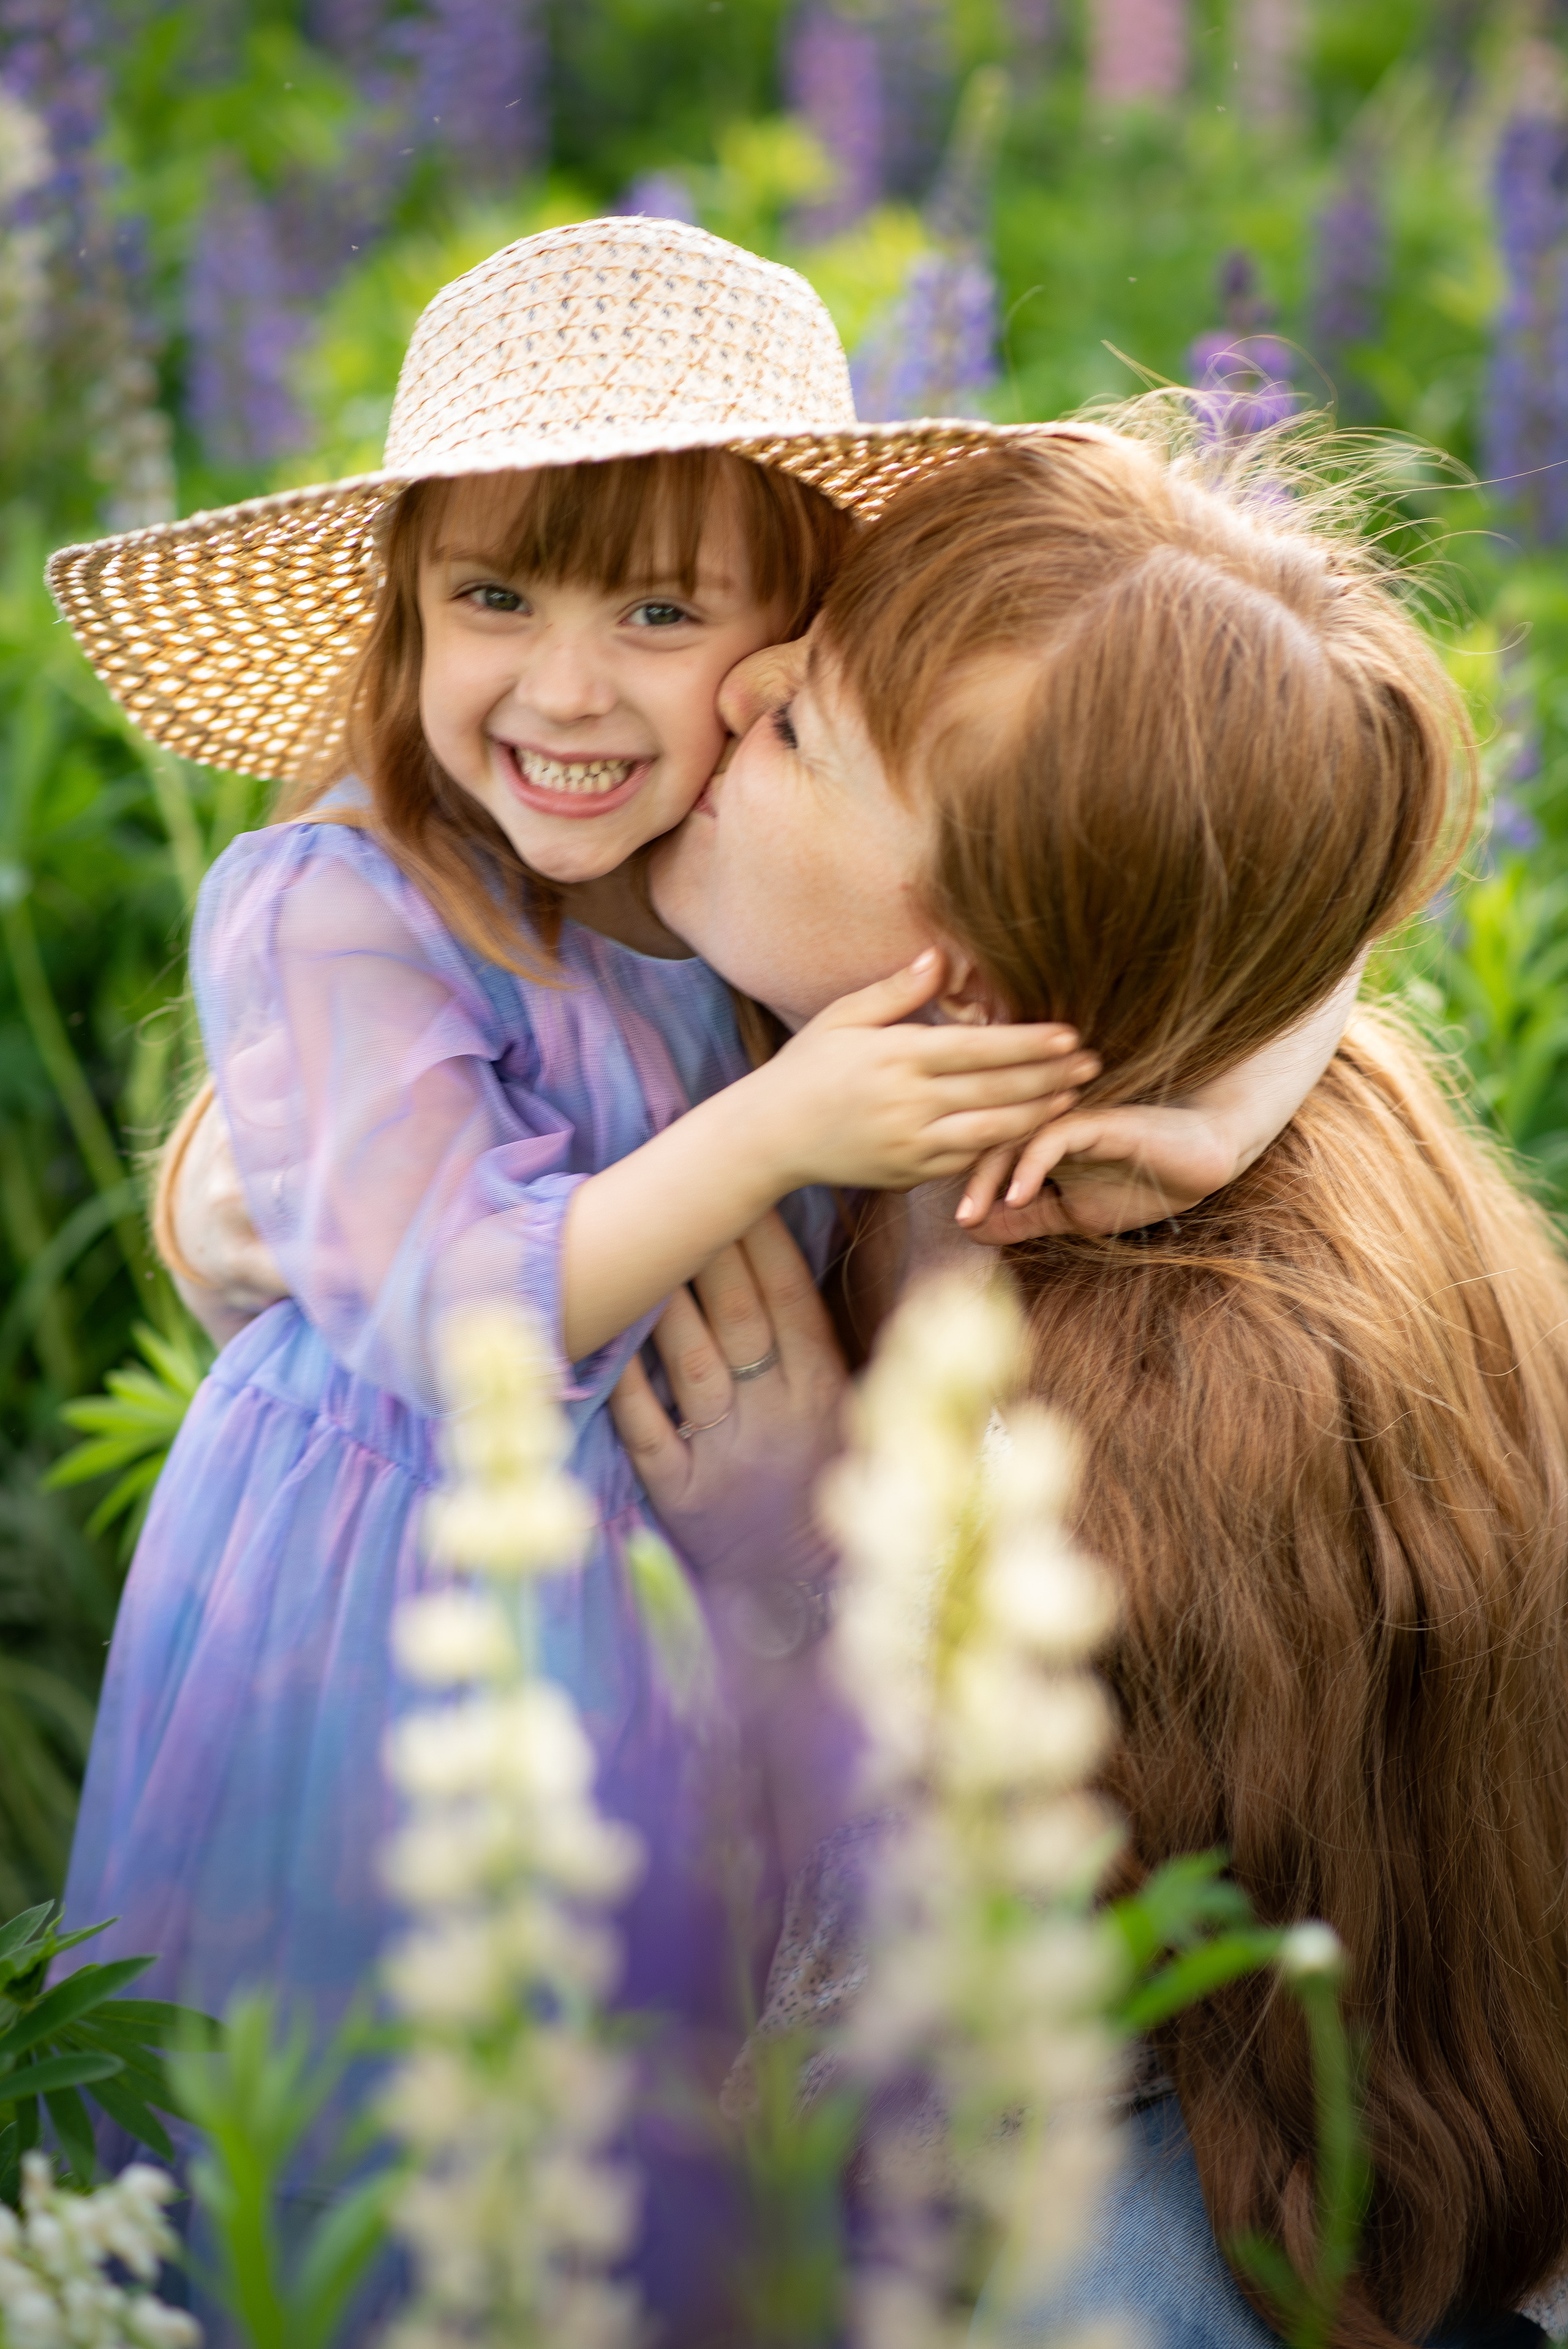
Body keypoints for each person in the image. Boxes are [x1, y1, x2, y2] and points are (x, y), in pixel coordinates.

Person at [51, 225, 1318, 2339]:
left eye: (657, 608)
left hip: (668, 1635)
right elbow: (451, 1316)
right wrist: (788, 1123)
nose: (566, 688)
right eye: (494, 600)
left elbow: (1274, 880)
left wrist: (1219, 1092)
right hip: (388, 1635)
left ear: (781, 640)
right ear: (406, 610)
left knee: (629, 2161)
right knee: (372, 2157)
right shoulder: (337, 903)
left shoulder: (729, 877)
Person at [609, 421, 1568, 2342]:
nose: (738, 679)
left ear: (963, 981)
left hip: (1227, 2167)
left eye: (801, 728)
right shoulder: (853, 1008)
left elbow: (995, 1977)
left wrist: (801, 1566)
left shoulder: (1212, 1387)